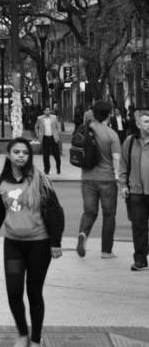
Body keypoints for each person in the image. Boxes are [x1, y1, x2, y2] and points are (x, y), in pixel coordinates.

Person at [0, 138, 64, 347]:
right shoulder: (2, 183)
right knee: (13, 292)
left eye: (25, 152)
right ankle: (22, 334)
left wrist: (55, 242)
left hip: (39, 245)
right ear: (9, 155)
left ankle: (36, 342)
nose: (21, 155)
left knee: (34, 292)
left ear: (29, 156)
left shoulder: (40, 181)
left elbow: (56, 212)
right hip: (14, 247)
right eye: (16, 152)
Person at [76, 99, 121, 259]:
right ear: (109, 114)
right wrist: (121, 181)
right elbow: (116, 159)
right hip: (107, 179)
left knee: (89, 211)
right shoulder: (111, 134)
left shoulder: (85, 129)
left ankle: (83, 234)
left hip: (87, 178)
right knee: (109, 214)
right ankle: (106, 251)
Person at [120, 108, 149, 271]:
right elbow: (123, 165)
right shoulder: (130, 142)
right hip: (136, 191)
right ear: (138, 124)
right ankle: (140, 259)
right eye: (145, 122)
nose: (148, 125)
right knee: (138, 227)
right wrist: (123, 185)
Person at [34, 105, 62, 175]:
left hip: (53, 138)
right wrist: (38, 135)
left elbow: (58, 127)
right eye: (46, 110)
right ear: (43, 111)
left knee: (57, 155)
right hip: (45, 138)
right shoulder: (40, 118)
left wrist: (58, 135)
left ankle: (58, 168)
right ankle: (47, 170)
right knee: (45, 156)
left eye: (49, 110)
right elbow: (36, 127)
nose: (48, 111)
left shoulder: (54, 117)